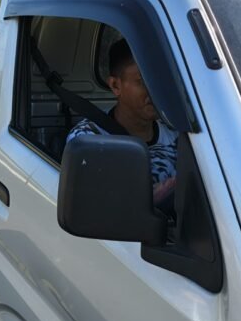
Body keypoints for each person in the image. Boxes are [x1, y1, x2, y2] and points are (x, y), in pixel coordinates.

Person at [66, 38, 177, 204]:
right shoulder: (89, 141)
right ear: (115, 86)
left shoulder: (177, 135)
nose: (155, 90)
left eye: (160, 80)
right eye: (143, 81)